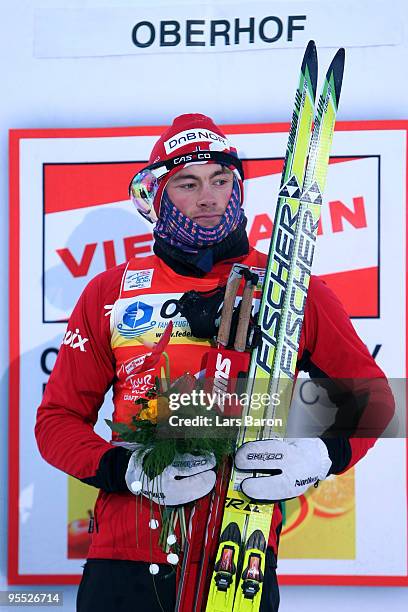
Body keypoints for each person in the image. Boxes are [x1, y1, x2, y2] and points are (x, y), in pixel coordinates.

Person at [35, 114, 394, 612]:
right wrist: (128, 469)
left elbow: (374, 399)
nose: (209, 198)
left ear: (237, 187)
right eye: (188, 183)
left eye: (221, 181)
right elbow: (56, 421)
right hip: (125, 559)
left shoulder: (290, 288)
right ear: (158, 195)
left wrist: (321, 456)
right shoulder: (110, 292)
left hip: (237, 561)